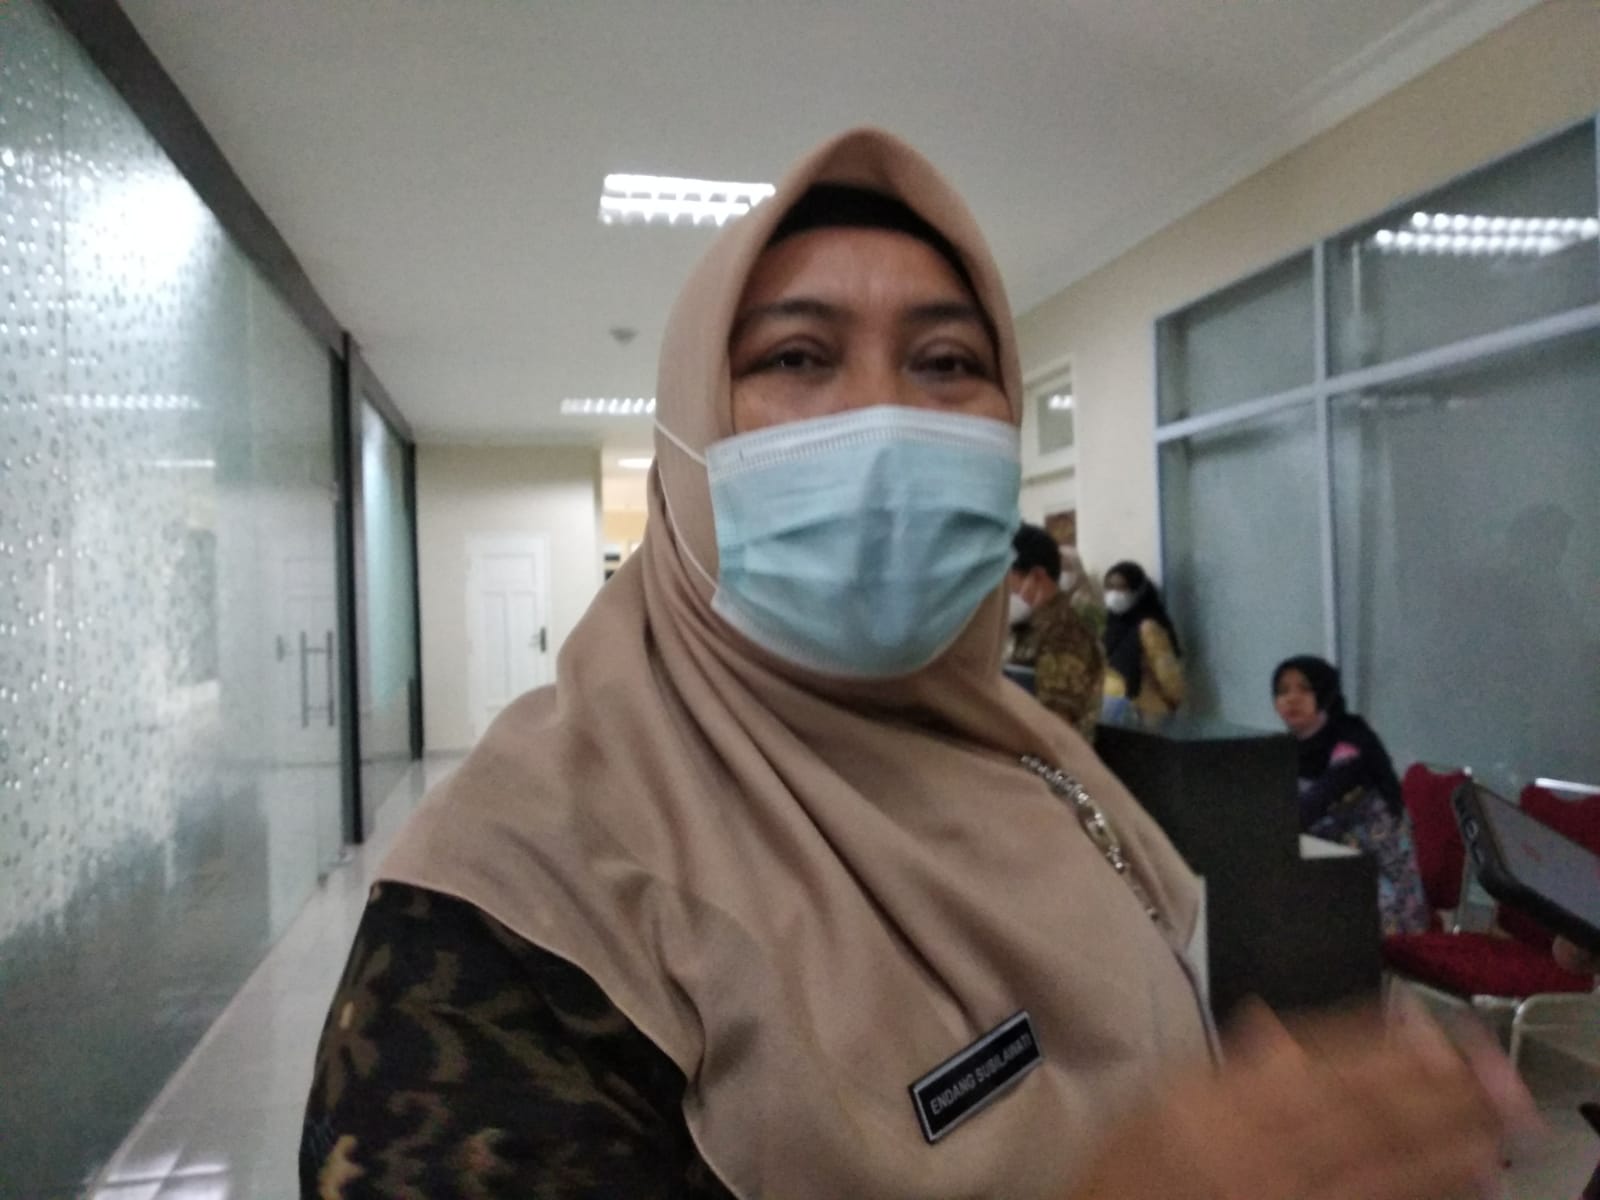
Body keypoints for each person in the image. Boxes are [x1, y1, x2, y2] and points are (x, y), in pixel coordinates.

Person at [301, 129, 1532, 1200]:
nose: (882, 419)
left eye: (945, 363)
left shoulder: (1031, 755)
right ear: (690, 434)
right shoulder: (525, 885)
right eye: (797, 357)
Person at [1272, 655, 1431, 936]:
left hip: (1378, 878)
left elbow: (1311, 805)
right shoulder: (1290, 747)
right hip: (1331, 867)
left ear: (1324, 693)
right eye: (1283, 691)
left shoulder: (1353, 742)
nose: (1292, 698)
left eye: (1304, 689)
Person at [1007, 523, 1105, 739]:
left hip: (1050, 756)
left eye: (1010, 587)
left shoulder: (1063, 632)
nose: (1005, 596)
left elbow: (1058, 725)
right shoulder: (1029, 626)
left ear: (1037, 576)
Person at [1101, 560, 1185, 721]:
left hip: (1148, 713)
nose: (1114, 594)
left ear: (1138, 591)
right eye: (1109, 587)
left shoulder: (1149, 627)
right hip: (1116, 713)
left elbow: (1169, 675)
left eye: (1121, 588)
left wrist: (1172, 704)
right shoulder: (1111, 627)